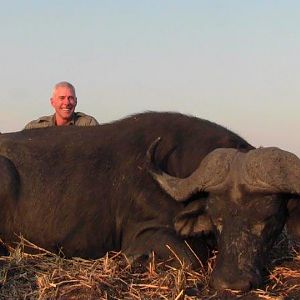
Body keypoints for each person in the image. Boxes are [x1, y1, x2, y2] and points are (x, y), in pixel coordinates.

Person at [24, 81, 99, 129]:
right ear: (52, 102)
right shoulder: (35, 127)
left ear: (76, 101)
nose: (66, 103)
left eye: (70, 98)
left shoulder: (88, 125)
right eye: (62, 98)